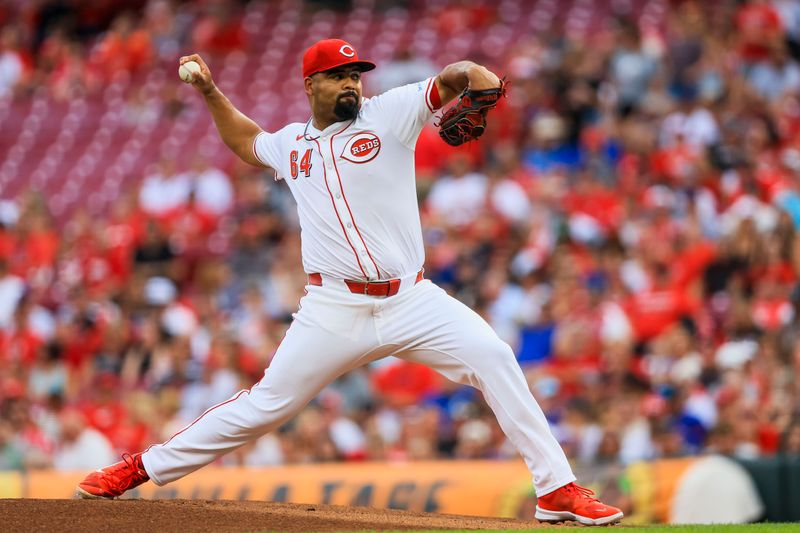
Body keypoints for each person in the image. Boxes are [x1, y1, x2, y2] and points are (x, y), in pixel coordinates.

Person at [75, 38, 623, 526]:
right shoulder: (292, 145)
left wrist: (478, 88)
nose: (351, 83)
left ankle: (556, 488)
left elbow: (458, 75)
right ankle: (137, 469)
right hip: (333, 306)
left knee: (495, 357)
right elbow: (247, 142)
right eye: (339, 75)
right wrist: (212, 91)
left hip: (411, 299)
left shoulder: (390, 113)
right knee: (267, 404)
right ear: (311, 84)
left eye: (356, 75)